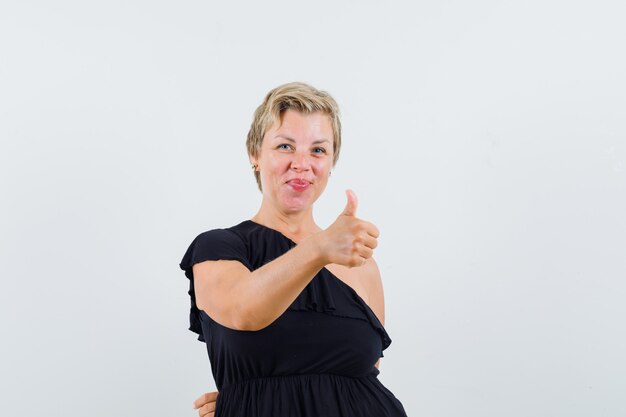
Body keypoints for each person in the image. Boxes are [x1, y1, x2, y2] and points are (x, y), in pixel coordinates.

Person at [179, 82, 407, 417]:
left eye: (318, 150)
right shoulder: (219, 247)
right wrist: (253, 399)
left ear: (331, 163)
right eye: (285, 146)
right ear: (255, 154)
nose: (302, 163)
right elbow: (243, 310)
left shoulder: (360, 263)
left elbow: (360, 376)